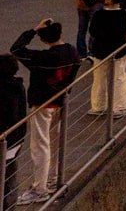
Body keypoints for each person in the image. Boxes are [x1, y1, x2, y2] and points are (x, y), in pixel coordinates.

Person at [8, 21, 79, 204]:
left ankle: (40, 188)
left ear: (42, 38)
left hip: (42, 103)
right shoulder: (71, 51)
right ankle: (53, 178)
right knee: (54, 142)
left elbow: (16, 49)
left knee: (40, 146)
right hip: (60, 101)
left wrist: (33, 29)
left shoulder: (42, 58)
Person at [87, 0, 126, 117]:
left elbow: (92, 31)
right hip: (119, 50)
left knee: (99, 79)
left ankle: (98, 106)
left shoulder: (98, 14)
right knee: (119, 78)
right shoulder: (124, 13)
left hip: (100, 50)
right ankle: (120, 107)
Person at [1, 54, 25, 211]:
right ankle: (10, 206)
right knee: (10, 175)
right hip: (16, 138)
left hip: (4, 140)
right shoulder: (18, 86)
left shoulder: (3, 91)